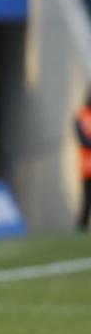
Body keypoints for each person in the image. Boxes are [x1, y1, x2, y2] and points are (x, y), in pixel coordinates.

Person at [76, 95, 91, 232]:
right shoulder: (81, 116)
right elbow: (83, 140)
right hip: (87, 167)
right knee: (87, 199)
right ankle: (81, 227)